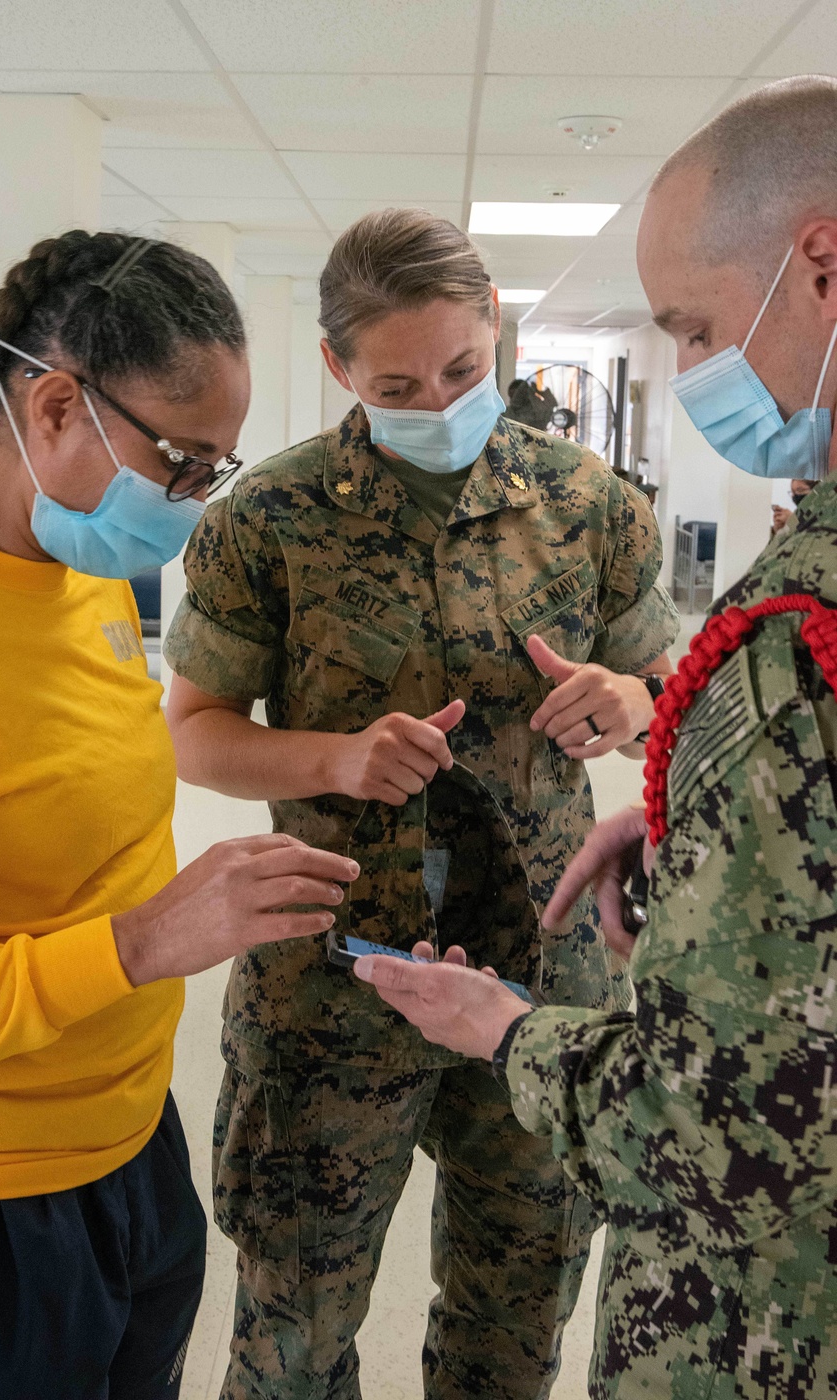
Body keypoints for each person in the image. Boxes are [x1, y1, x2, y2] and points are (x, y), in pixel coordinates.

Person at [355, 75, 837, 1399]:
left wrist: (509, 1032)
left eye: (691, 327)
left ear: (821, 267)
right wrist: (700, 828)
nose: (690, 371)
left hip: (767, 1328)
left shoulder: (802, 610)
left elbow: (720, 1130)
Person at [163, 207, 679, 1400]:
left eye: (462, 367)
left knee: (515, 1312)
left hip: (535, 971)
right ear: (338, 364)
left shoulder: (589, 504)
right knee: (295, 1325)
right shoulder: (270, 519)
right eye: (397, 379)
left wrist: (627, 699)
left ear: (493, 325)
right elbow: (195, 733)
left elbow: (658, 684)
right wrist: (332, 760)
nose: (440, 397)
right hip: (336, 973)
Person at [0, 230, 358, 1400]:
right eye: (180, 461)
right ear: (58, 404)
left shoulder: (85, 584)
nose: (190, 502)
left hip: (124, 1151)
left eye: (212, 470)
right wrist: (141, 943)